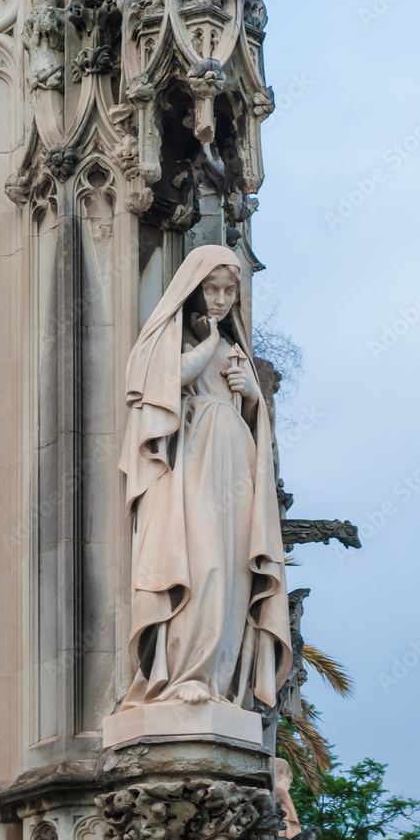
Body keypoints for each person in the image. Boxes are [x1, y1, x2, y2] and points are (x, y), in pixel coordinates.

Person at [119, 244, 291, 710]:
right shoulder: (172, 340)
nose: (220, 300)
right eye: (211, 289)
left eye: (229, 291)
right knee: (202, 562)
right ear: (193, 290)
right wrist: (209, 343)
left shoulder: (235, 350)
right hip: (193, 459)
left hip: (235, 458)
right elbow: (162, 385)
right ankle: (184, 673)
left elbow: (256, 423)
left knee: (235, 569)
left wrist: (252, 396)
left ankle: (221, 678)